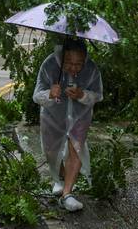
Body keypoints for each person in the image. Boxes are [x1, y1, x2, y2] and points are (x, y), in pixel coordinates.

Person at [33, 37, 103, 212]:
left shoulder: (91, 68)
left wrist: (82, 95)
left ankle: (67, 194)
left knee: (76, 148)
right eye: (69, 63)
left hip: (80, 116)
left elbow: (98, 95)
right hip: (52, 115)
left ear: (85, 59)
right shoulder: (49, 65)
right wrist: (50, 93)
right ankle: (60, 178)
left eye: (78, 64)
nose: (73, 67)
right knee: (51, 150)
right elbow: (36, 95)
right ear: (62, 58)